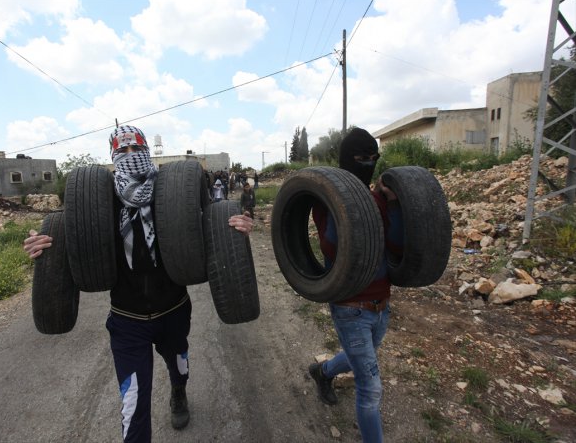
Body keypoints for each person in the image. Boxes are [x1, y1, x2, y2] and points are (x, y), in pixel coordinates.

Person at [23, 125, 253, 443]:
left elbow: (210, 224)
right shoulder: (99, 201)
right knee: (133, 405)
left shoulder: (175, 194)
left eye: (136, 150)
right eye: (122, 152)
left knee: (180, 368)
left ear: (147, 150)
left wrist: (234, 227)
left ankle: (178, 393)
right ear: (113, 157)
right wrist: (43, 243)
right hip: (126, 321)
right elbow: (70, 231)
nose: (131, 157)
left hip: (173, 310)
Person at [308, 127, 403, 443]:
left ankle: (322, 372)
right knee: (370, 385)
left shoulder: (377, 200)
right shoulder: (325, 199)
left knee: (362, 359)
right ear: (347, 159)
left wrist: (392, 204)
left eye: (374, 158)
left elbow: (397, 245)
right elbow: (334, 245)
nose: (369, 164)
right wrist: (348, 198)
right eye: (361, 159)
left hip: (381, 306)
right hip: (350, 307)